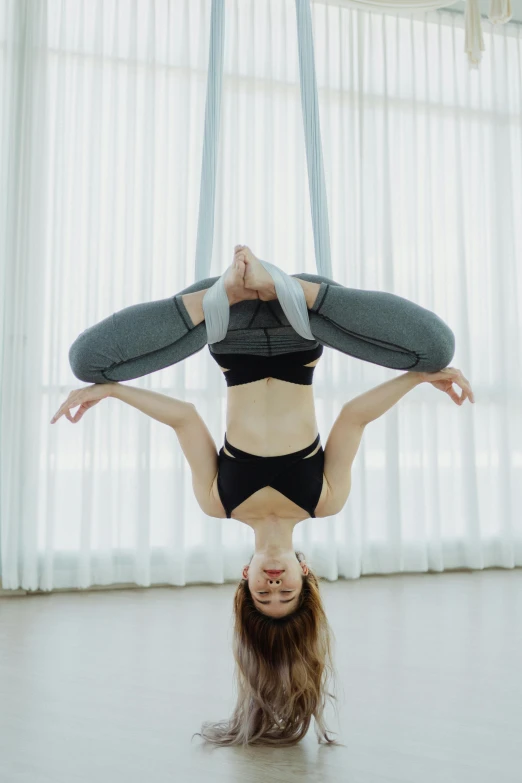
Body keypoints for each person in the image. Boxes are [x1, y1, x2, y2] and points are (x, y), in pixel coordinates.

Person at [52, 245, 474, 746]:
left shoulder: (218, 502)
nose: (275, 585)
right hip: (303, 320)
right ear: (306, 575)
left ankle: (231, 287)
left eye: (263, 593)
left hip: (228, 324)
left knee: (88, 363)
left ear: (246, 579)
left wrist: (112, 391)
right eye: (287, 593)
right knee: (437, 347)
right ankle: (297, 290)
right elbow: (354, 417)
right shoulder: (325, 499)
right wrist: (421, 378)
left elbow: (184, 417)